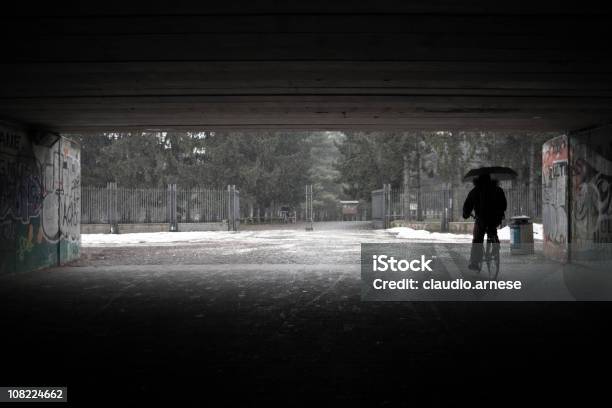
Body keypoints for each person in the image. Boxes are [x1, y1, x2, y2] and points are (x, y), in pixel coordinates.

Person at [462, 174, 507, 270]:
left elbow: (468, 205)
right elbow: (504, 205)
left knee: (477, 238)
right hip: (495, 218)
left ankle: (474, 262)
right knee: (492, 229)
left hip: (481, 219)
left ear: (477, 181)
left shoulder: (475, 191)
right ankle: (495, 241)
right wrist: (499, 212)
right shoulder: (498, 190)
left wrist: (466, 214)